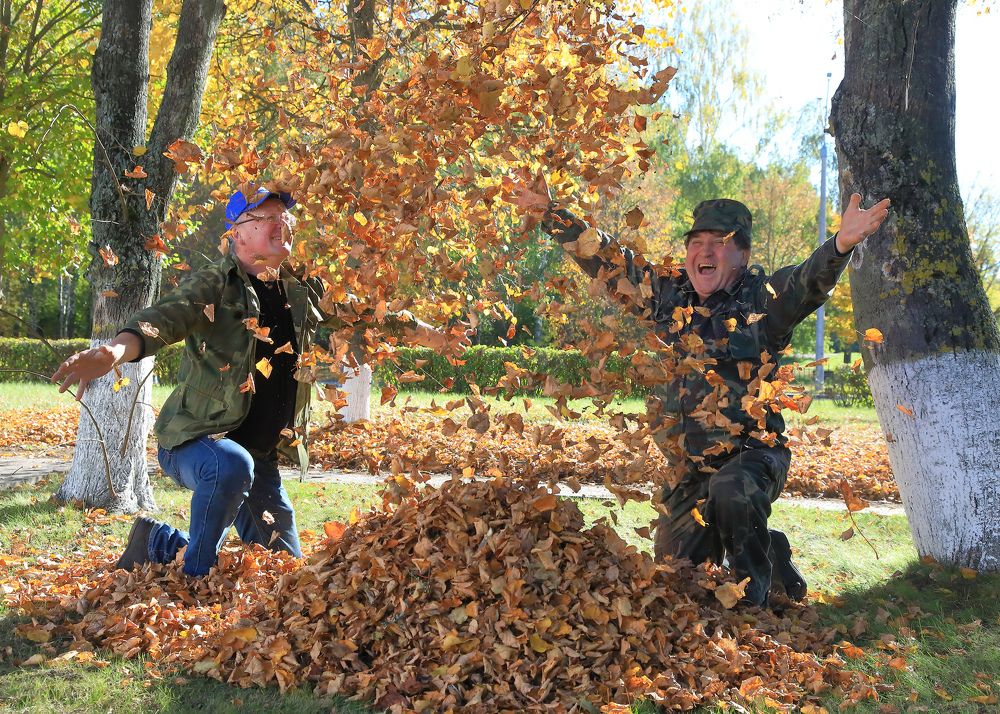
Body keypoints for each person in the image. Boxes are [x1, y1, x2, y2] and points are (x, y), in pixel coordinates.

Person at [52, 187, 456, 576]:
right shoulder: (214, 284)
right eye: (267, 217)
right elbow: (160, 320)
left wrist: (433, 335)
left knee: (286, 571)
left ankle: (158, 543)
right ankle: (195, 579)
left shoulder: (303, 287)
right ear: (237, 233)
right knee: (231, 465)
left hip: (257, 458)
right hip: (197, 442)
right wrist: (113, 351)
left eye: (286, 216)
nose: (283, 224)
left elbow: (366, 316)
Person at [544, 192, 890, 606]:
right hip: (690, 469)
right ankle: (770, 549)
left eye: (719, 243)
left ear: (742, 255)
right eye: (697, 242)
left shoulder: (761, 300)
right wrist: (550, 213)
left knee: (731, 490)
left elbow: (805, 283)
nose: (705, 252)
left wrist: (840, 245)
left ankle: (752, 602)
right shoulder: (668, 296)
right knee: (677, 581)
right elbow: (611, 261)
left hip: (753, 459)